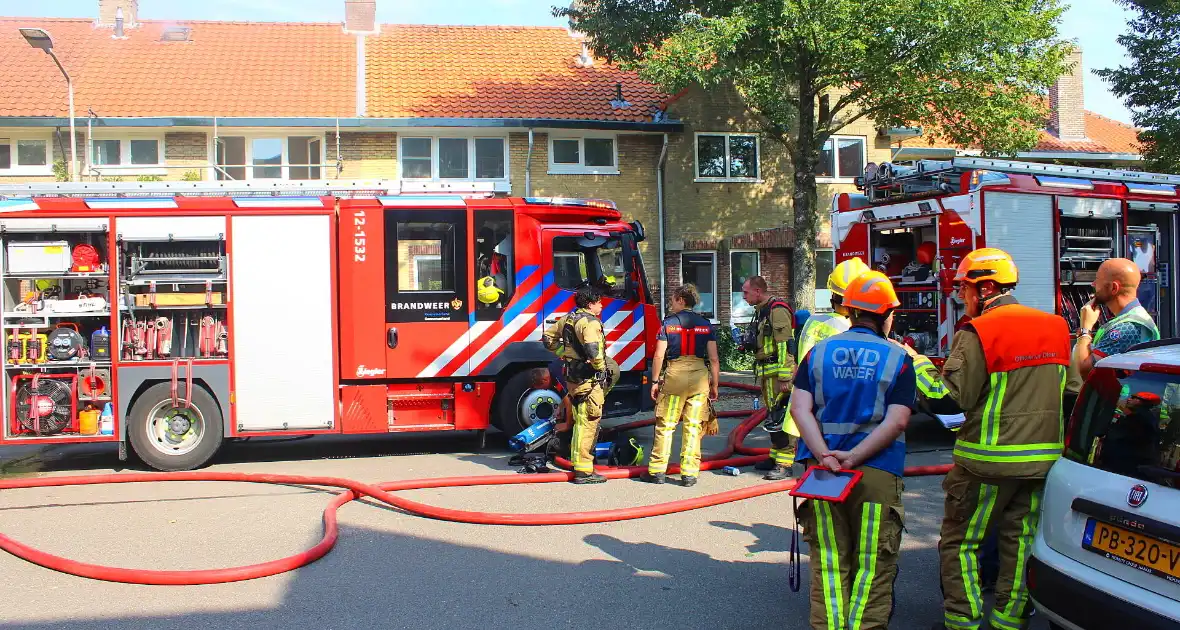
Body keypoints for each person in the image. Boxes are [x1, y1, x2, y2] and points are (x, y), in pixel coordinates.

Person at [903, 248, 1070, 630]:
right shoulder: (1057, 327)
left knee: (961, 543)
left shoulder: (980, 332)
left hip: (986, 464)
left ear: (987, 288)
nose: (962, 296)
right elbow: (1071, 392)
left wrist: (915, 361)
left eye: (964, 288)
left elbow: (949, 404)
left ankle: (963, 622)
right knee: (1020, 543)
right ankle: (1009, 623)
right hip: (1043, 465)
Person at [790, 270, 915, 630]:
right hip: (876, 471)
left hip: (824, 474)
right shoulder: (898, 359)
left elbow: (800, 409)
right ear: (887, 315)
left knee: (829, 561)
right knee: (873, 566)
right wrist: (855, 457)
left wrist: (826, 456)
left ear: (851, 311)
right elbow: (897, 422)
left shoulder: (818, 353)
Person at [642, 284, 720, 487]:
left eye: (674, 299)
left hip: (675, 376)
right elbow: (714, 359)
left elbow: (659, 355)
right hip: (699, 377)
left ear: (682, 300)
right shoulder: (706, 324)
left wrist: (655, 381)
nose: (671, 303)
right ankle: (689, 474)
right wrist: (715, 385)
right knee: (694, 425)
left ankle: (658, 471)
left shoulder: (668, 324)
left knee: (666, 425)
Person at [1068, 257, 1160, 416]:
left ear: (1113, 288)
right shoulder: (1128, 319)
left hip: (1122, 417)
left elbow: (1087, 370)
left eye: (1097, 281)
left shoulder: (1128, 327)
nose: (1093, 285)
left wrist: (1085, 330)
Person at [542, 285, 611, 484]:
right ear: (590, 304)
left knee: (581, 419)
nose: (601, 305)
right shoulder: (590, 323)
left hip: (573, 377)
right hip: (589, 379)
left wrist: (564, 354)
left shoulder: (567, 318)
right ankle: (584, 470)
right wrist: (600, 368)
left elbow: (548, 339)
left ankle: (577, 463)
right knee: (589, 421)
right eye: (599, 302)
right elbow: (592, 350)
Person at [740, 275, 798, 480]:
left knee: (781, 418)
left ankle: (784, 464)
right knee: (773, 417)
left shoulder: (777, 311)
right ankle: (775, 457)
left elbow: (785, 345)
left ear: (758, 291)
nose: (743, 296)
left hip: (777, 375)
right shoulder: (763, 312)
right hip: (767, 373)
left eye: (746, 292)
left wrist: (785, 376)